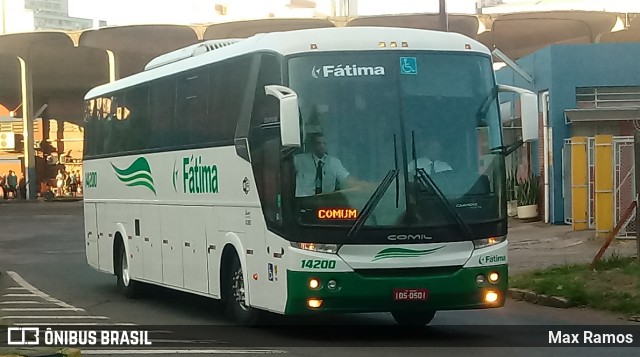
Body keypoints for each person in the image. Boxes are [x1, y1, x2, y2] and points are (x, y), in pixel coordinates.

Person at [293, 132, 357, 198]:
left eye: (324, 143)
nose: (322, 146)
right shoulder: (299, 160)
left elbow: (346, 179)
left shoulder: (334, 162)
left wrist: (361, 185)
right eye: (318, 143)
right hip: (304, 202)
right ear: (313, 145)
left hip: (326, 203)